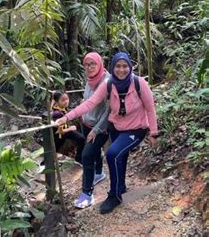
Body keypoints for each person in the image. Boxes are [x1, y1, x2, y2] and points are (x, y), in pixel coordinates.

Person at [56, 52, 158, 214]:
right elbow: (90, 103)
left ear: (130, 67)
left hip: (136, 129)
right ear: (112, 67)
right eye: (118, 66)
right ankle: (121, 186)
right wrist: (67, 117)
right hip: (117, 127)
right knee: (120, 157)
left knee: (112, 154)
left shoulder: (139, 84)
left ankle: (114, 196)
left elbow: (150, 108)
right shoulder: (109, 84)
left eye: (125, 66)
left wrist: (153, 133)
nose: (121, 70)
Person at [73, 52, 110, 209]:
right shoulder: (90, 80)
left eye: (92, 64)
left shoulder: (107, 81)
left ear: (99, 63)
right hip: (86, 122)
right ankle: (99, 173)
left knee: (86, 155)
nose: (89, 67)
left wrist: (96, 129)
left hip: (100, 128)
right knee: (94, 152)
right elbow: (88, 100)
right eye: (86, 65)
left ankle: (87, 194)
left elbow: (109, 111)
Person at [40, 91, 85, 164]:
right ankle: (44, 164)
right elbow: (60, 132)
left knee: (81, 139)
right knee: (54, 150)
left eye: (67, 99)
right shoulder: (58, 114)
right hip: (59, 134)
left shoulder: (57, 107)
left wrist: (53, 96)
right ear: (57, 102)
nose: (66, 102)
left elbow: (51, 107)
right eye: (63, 100)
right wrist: (71, 128)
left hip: (63, 129)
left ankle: (78, 158)